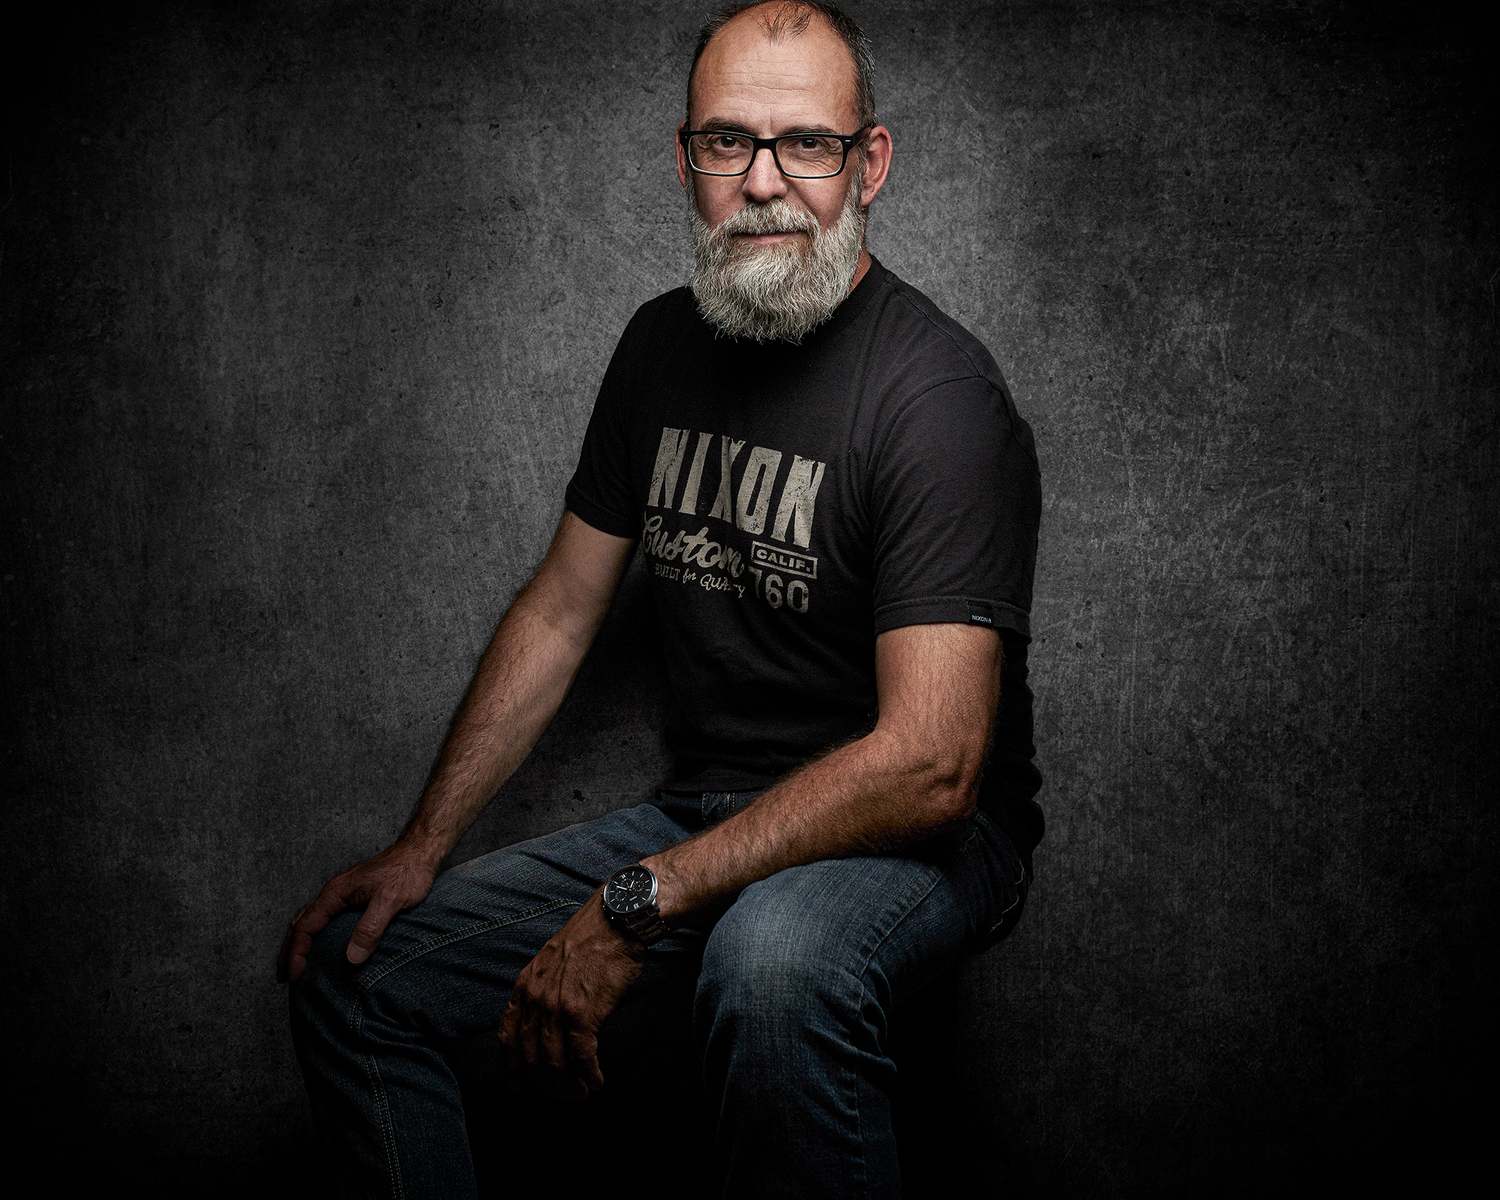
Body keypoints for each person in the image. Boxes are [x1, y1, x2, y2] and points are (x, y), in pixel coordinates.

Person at [280, 2, 1043, 1196]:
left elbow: (932, 767)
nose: (764, 184)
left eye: (808, 144)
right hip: (710, 807)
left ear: (870, 164)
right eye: (728, 141)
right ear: (685, 160)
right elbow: (560, 610)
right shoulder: (658, 348)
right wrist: (422, 846)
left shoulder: (937, 398)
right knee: (356, 970)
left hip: (917, 834)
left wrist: (637, 901)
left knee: (772, 969)